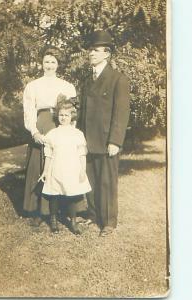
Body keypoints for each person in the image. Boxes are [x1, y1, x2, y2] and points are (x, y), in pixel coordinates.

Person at [79, 30, 130, 237]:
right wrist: (78, 138)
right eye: (90, 49)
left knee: (107, 181)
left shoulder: (118, 79)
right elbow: (83, 111)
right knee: (90, 180)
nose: (90, 53)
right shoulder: (87, 80)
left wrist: (115, 141)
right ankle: (93, 216)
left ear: (106, 54)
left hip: (107, 140)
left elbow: (121, 112)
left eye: (95, 50)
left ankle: (108, 222)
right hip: (87, 139)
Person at [23, 46, 76, 227]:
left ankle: (59, 208)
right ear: (42, 63)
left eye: (53, 62)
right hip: (41, 125)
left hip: (59, 125)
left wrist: (70, 132)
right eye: (47, 61)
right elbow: (29, 111)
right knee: (39, 166)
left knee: (58, 165)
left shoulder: (66, 86)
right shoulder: (33, 86)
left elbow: (72, 112)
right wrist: (34, 132)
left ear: (58, 64)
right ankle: (38, 210)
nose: (50, 65)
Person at [39, 98, 91, 234]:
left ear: (72, 116)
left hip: (71, 169)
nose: (63, 118)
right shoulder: (53, 134)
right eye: (61, 115)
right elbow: (48, 154)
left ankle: (73, 221)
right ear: (57, 116)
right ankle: (54, 221)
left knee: (71, 194)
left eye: (66, 115)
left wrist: (83, 170)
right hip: (56, 168)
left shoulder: (77, 134)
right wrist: (45, 171)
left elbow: (82, 154)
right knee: (54, 195)